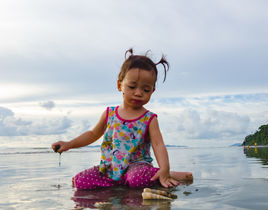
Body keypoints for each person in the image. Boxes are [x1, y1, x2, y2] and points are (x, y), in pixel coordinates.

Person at [51, 49, 192, 190]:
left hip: (137, 168)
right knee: (80, 182)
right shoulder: (109, 113)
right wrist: (69, 144)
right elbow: (92, 134)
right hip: (110, 169)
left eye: (146, 90)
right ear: (120, 85)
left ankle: (167, 174)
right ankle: (159, 175)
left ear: (153, 91)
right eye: (132, 87)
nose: (138, 93)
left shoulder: (149, 118)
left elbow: (158, 144)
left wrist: (165, 168)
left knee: (136, 180)